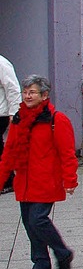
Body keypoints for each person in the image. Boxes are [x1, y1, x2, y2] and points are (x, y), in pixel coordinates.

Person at [0, 75, 77, 269]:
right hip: (24, 182)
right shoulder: (18, 119)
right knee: (28, 222)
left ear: (44, 95)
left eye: (32, 92)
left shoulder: (56, 119)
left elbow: (67, 152)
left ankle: (63, 253)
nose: (27, 96)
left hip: (46, 181)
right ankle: (41, 264)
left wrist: (70, 180)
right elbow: (8, 153)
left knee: (37, 219)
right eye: (25, 92)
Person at [0, 54, 20, 192]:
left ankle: (7, 180)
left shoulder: (2, 63)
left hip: (1, 112)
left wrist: (14, 112)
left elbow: (12, 88)